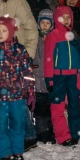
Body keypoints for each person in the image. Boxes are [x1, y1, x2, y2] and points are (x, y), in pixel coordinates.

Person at [0, 16, 35, 160]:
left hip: (18, 96)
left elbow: (28, 74)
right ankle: (4, 152)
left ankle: (17, 150)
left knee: (18, 124)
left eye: (4, 30)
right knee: (0, 126)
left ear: (12, 31)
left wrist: (30, 94)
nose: (0, 33)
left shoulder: (20, 50)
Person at [43, 6, 80, 145]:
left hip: (73, 76)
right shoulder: (53, 36)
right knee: (58, 106)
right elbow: (48, 59)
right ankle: (63, 136)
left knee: (75, 105)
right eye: (63, 17)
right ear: (57, 19)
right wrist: (49, 79)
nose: (66, 20)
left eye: (68, 17)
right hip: (59, 77)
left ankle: (74, 134)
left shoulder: (74, 36)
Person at [32, 9, 56, 143]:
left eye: (48, 23)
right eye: (43, 23)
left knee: (50, 107)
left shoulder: (54, 38)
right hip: (37, 78)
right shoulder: (35, 38)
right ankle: (41, 131)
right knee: (40, 109)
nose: (45, 25)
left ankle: (49, 130)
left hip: (50, 80)